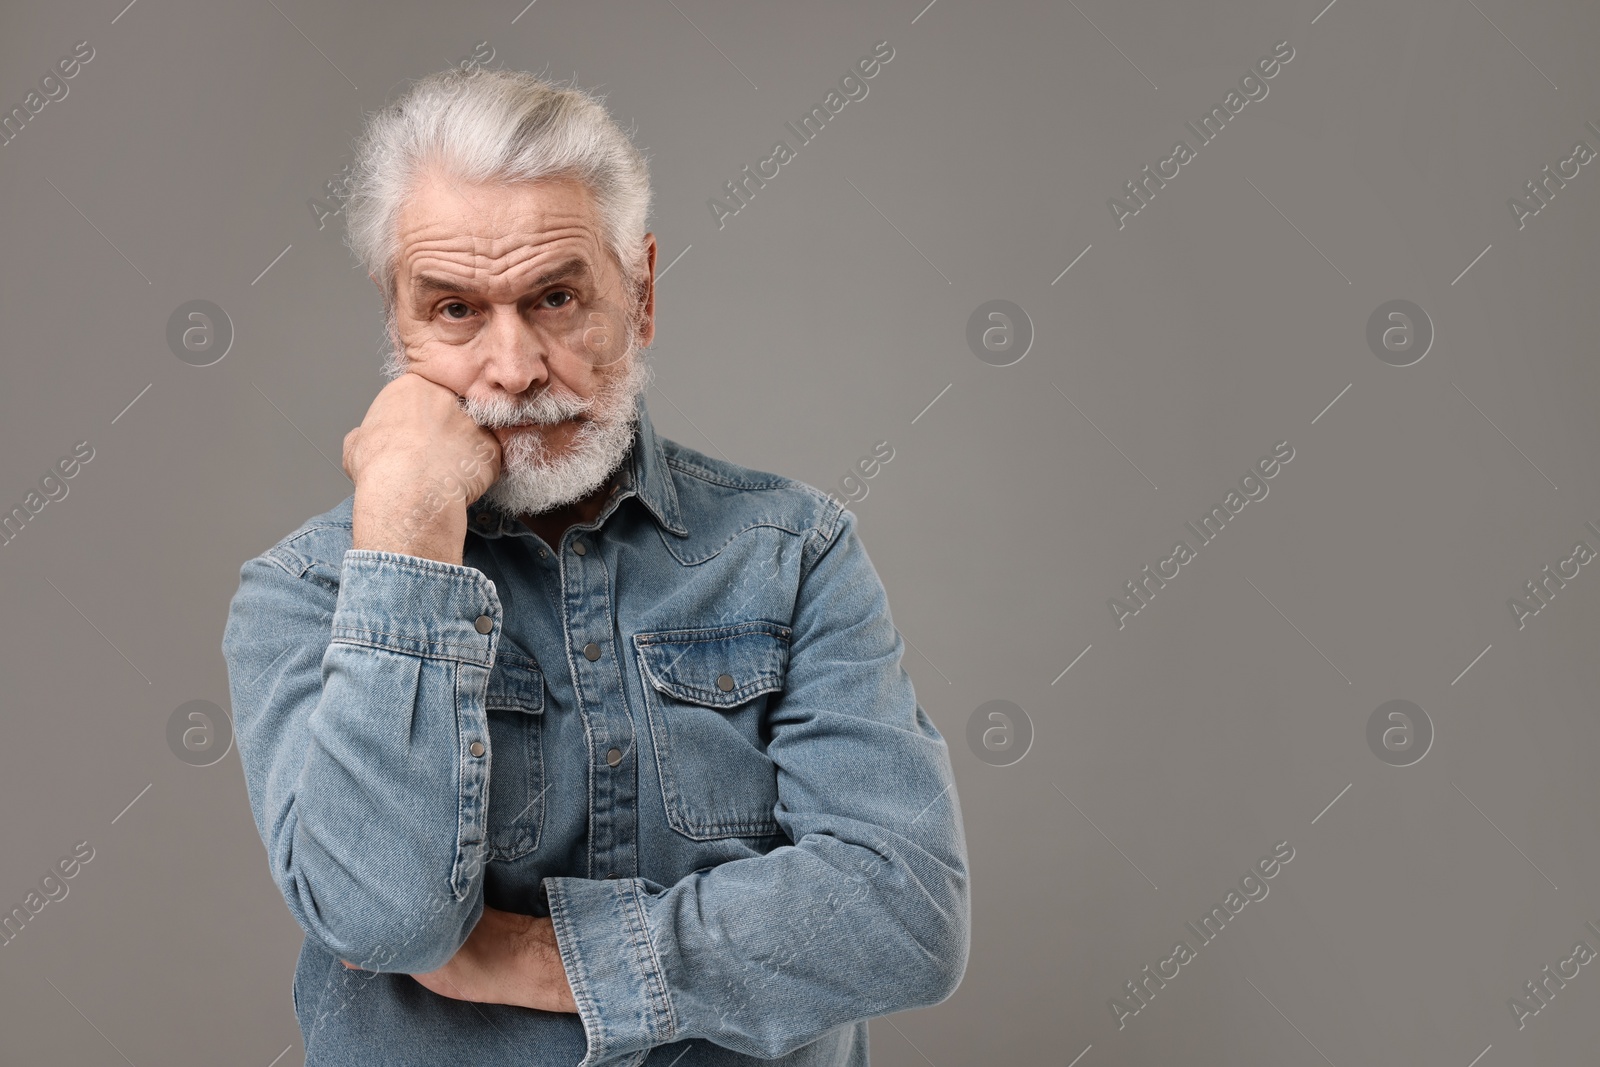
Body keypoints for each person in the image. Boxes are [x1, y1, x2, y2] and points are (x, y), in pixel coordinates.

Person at [221, 64, 970, 1067]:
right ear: (395, 320)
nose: (516, 366)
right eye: (452, 310)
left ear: (641, 291)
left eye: (557, 297)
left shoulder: (794, 551)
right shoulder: (305, 589)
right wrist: (405, 530)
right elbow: (386, 924)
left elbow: (905, 910)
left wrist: (535, 957)